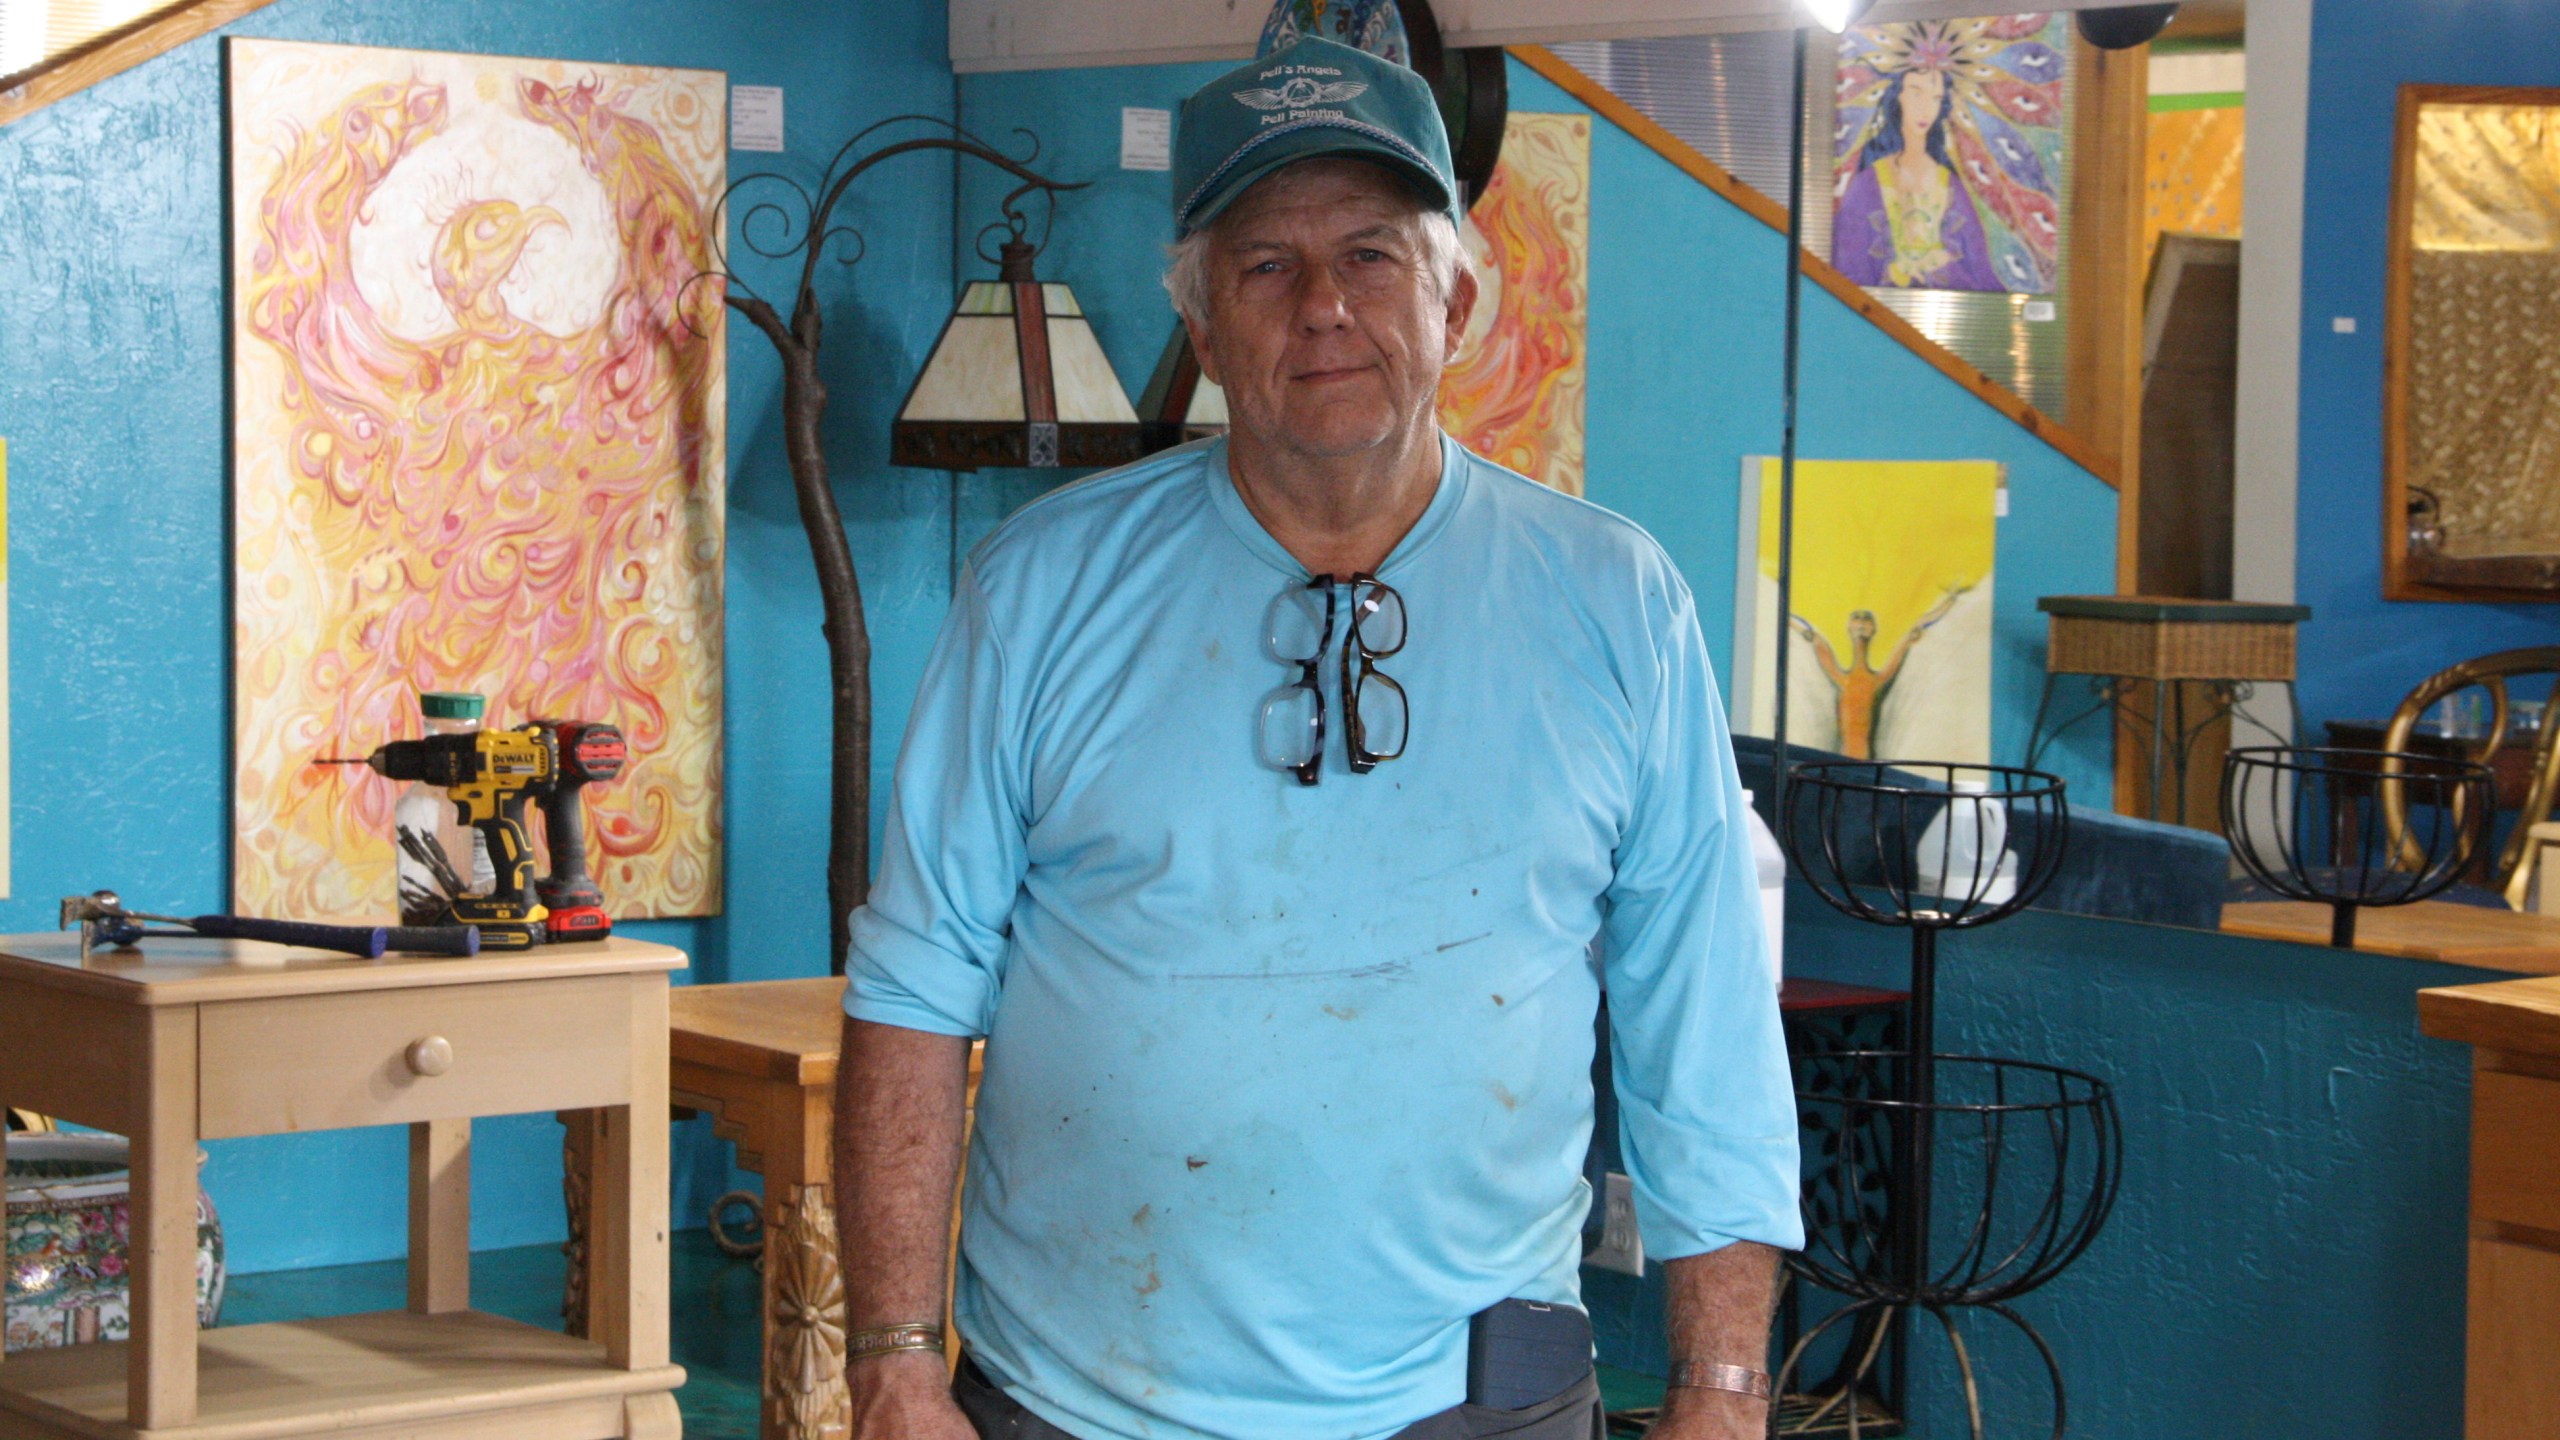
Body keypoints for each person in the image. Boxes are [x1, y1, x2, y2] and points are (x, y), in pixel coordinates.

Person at [833, 34, 1800, 1440]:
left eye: (1372, 256)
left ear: (1456, 299)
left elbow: (1700, 1028)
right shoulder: (1041, 589)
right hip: (1077, 1405)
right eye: (1266, 266)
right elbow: (917, 991)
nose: (1324, 309)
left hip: (1471, 1409)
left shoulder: (1613, 600)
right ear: (1206, 328)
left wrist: (1722, 1388)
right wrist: (898, 1361)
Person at [1832, 65, 2004, 291]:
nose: (1925, 109)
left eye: (1935, 99)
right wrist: (1894, 273)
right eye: (1916, 93)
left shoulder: (1950, 185)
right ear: (1897, 97)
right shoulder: (1868, 184)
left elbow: (1981, 274)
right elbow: (1845, 270)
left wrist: (1943, 267)